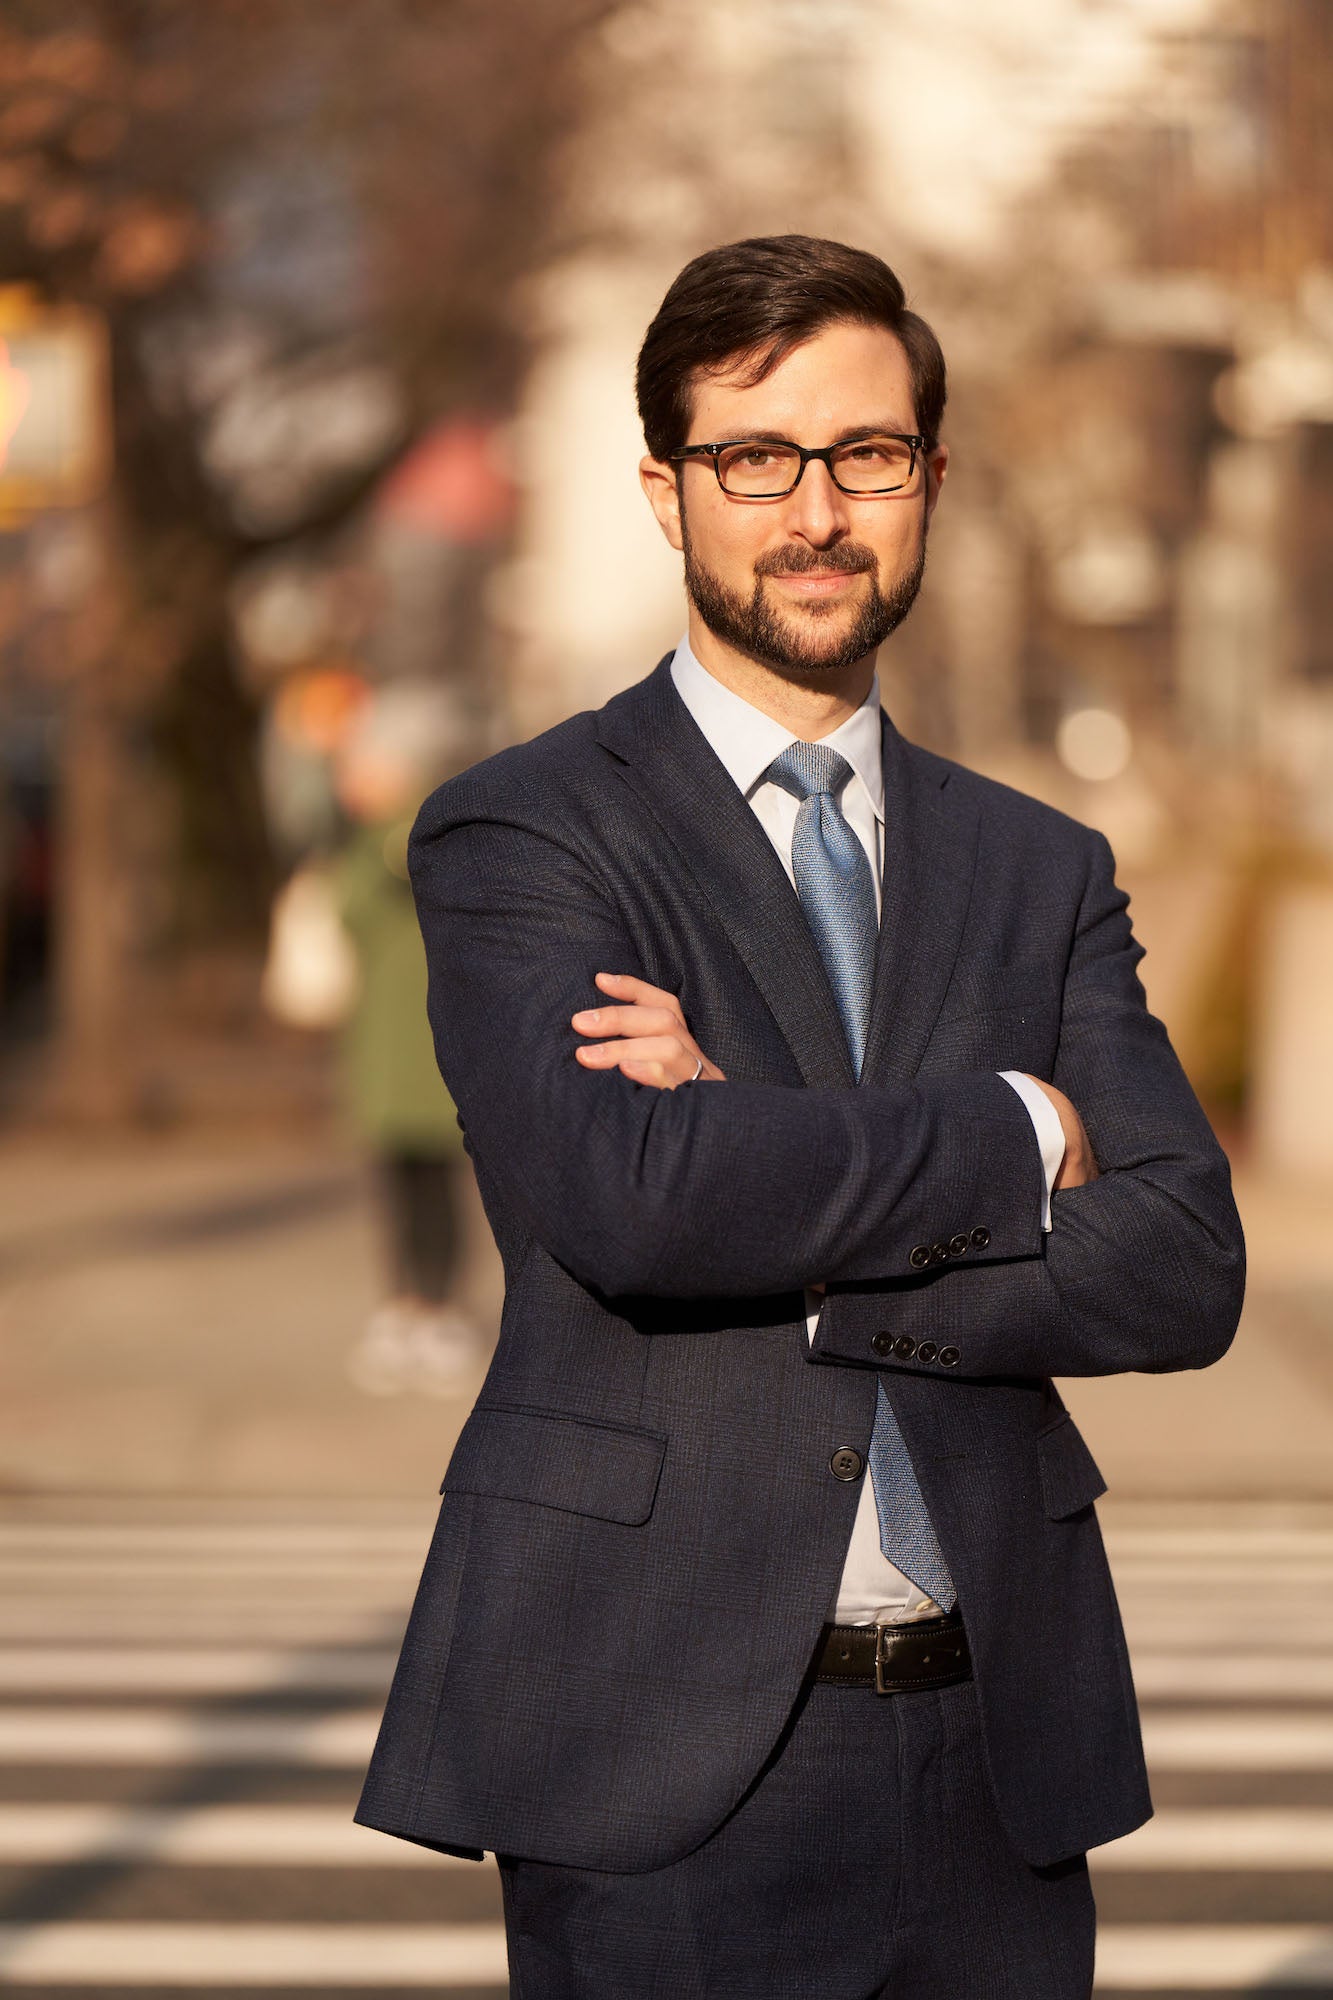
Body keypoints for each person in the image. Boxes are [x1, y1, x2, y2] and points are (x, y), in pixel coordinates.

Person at [354, 236, 1245, 1997]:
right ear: (662, 490)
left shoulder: (1036, 863)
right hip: (651, 1750)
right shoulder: (525, 834)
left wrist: (803, 1231)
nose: (814, 510)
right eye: (753, 458)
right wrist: (1003, 1133)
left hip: (999, 1749)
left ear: (929, 480)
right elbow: (632, 1202)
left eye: (867, 455)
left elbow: (1179, 1261)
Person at [333, 684, 480, 1395]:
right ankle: (402, 1304)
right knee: (396, 1186)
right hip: (383, 1044)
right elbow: (350, 914)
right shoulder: (360, 843)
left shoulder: (421, 829)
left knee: (442, 1189)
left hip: (431, 1042)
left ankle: (441, 1305)